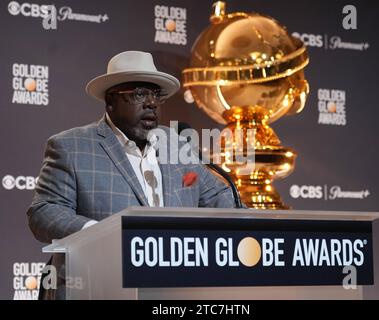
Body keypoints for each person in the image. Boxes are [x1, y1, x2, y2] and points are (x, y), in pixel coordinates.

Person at [27, 51, 238, 299]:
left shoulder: (177, 146)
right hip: (96, 288)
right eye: (139, 94)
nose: (151, 103)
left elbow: (221, 198)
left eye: (155, 95)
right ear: (110, 102)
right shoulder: (72, 146)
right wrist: (101, 235)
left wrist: (254, 225)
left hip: (172, 292)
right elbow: (44, 212)